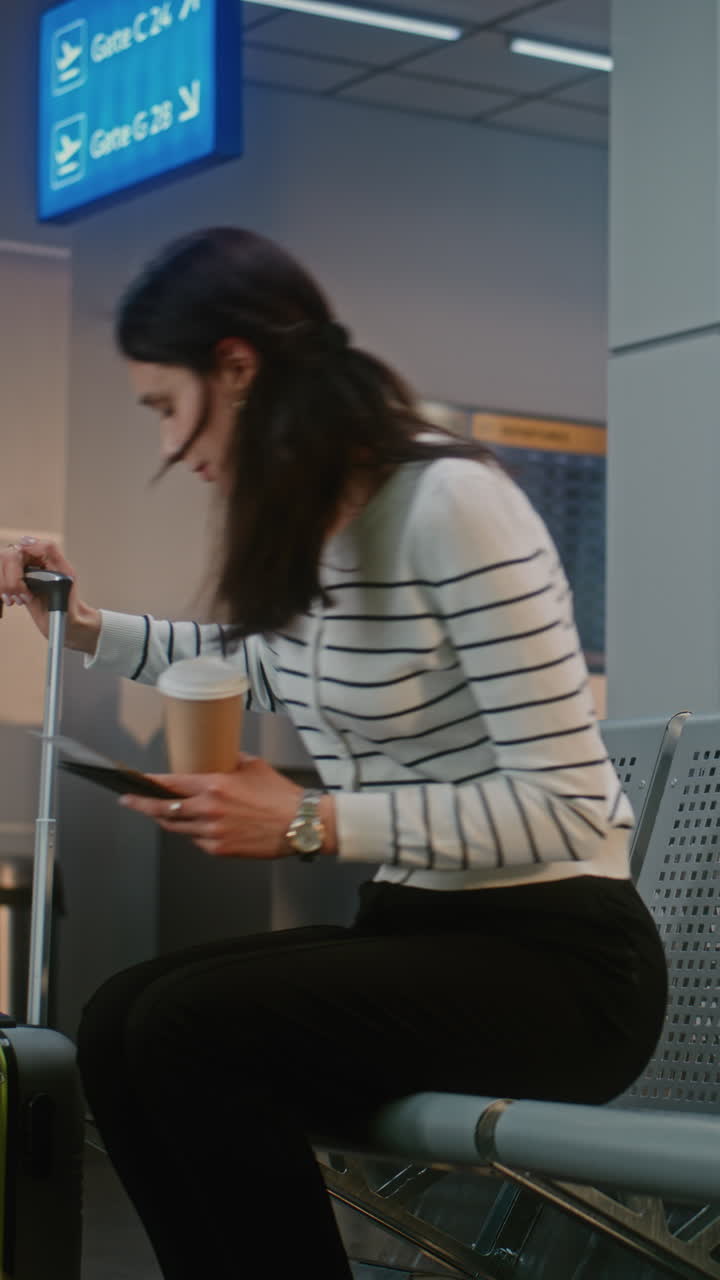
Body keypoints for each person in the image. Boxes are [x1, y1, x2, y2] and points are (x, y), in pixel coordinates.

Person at [0, 227, 667, 1280]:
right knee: (120, 1022)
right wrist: (81, 624)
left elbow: (567, 805)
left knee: (184, 1031)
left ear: (238, 366)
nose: (172, 445)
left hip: (562, 961)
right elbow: (257, 666)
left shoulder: (453, 504)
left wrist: (314, 820)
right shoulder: (319, 525)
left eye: (168, 406)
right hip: (422, 928)